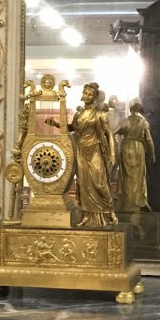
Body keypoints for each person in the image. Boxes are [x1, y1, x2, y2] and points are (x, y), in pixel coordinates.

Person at [49, 81, 117, 227]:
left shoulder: (100, 115)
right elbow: (71, 128)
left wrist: (112, 154)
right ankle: (87, 216)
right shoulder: (79, 114)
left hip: (95, 151)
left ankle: (109, 211)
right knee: (84, 184)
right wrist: (55, 124)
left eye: (90, 94)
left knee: (100, 183)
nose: (86, 96)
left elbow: (109, 134)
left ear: (95, 97)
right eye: (85, 93)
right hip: (81, 151)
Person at [116, 99, 155, 212]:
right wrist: (152, 154)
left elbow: (112, 131)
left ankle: (126, 202)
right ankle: (137, 202)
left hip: (126, 147)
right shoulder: (143, 122)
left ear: (130, 108)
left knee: (126, 177)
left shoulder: (125, 121)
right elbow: (149, 140)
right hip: (138, 148)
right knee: (138, 177)